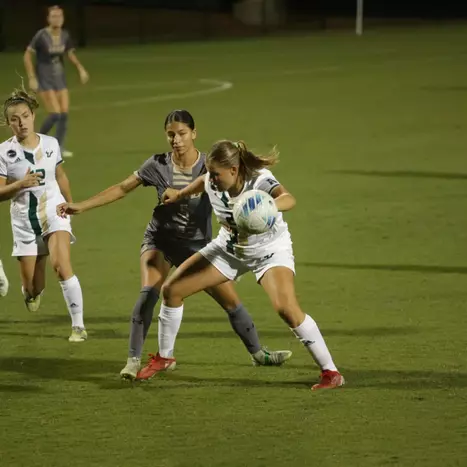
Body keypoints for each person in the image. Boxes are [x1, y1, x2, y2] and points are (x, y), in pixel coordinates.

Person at [57, 110, 292, 381]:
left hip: (197, 246)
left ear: (194, 133)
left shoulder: (210, 165)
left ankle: (258, 354)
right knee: (148, 294)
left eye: (181, 133)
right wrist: (81, 206)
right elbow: (122, 188)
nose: (176, 139)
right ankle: (133, 361)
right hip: (160, 240)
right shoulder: (157, 165)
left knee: (232, 303)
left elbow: (240, 184)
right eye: (171, 134)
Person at [155, 140, 345, 390]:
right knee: (172, 291)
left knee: (286, 308)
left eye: (216, 174)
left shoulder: (259, 180)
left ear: (234, 171)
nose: (211, 179)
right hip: (228, 250)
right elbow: (201, 184)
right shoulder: (211, 181)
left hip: (269, 251)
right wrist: (178, 194)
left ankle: (331, 372)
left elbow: (288, 198)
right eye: (210, 173)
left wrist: (268, 206)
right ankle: (165, 358)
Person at [0, 87, 87, 342]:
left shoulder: (50, 144)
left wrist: (71, 204)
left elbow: (60, 175)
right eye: (15, 119)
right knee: (32, 290)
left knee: (61, 266)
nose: (21, 122)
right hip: (23, 221)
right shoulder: (3, 152)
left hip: (54, 210)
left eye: (25, 116)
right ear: (8, 123)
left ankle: (78, 327)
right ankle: (33, 291)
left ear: (33, 115)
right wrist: (20, 184)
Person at [24, 5, 89, 158]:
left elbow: (70, 54)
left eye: (59, 16)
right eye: (53, 16)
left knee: (64, 114)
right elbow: (27, 55)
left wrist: (80, 69)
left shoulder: (65, 35)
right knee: (55, 114)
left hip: (59, 77)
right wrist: (32, 77)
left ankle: (59, 147)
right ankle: (33, 143)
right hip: (45, 78)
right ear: (48, 19)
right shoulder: (41, 35)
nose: (57, 19)